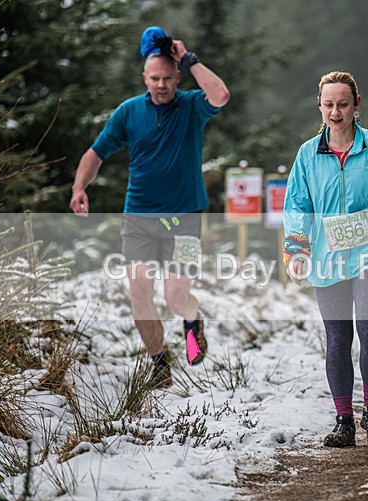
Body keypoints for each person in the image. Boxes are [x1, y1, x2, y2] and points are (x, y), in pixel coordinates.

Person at [69, 26, 230, 387]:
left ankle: (192, 321)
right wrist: (80, 186)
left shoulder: (190, 106)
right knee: (139, 290)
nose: (161, 85)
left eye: (168, 78)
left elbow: (220, 95)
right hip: (139, 216)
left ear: (177, 76)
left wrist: (189, 59)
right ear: (145, 77)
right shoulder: (129, 113)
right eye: (154, 78)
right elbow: (96, 153)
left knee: (175, 296)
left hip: (184, 218)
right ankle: (159, 364)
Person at [283, 71, 368, 448]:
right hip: (327, 258)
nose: (336, 112)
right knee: (338, 338)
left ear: (357, 105)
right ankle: (343, 421)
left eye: (343, 104)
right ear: (319, 106)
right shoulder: (307, 155)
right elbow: (297, 205)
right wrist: (297, 249)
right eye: (328, 105)